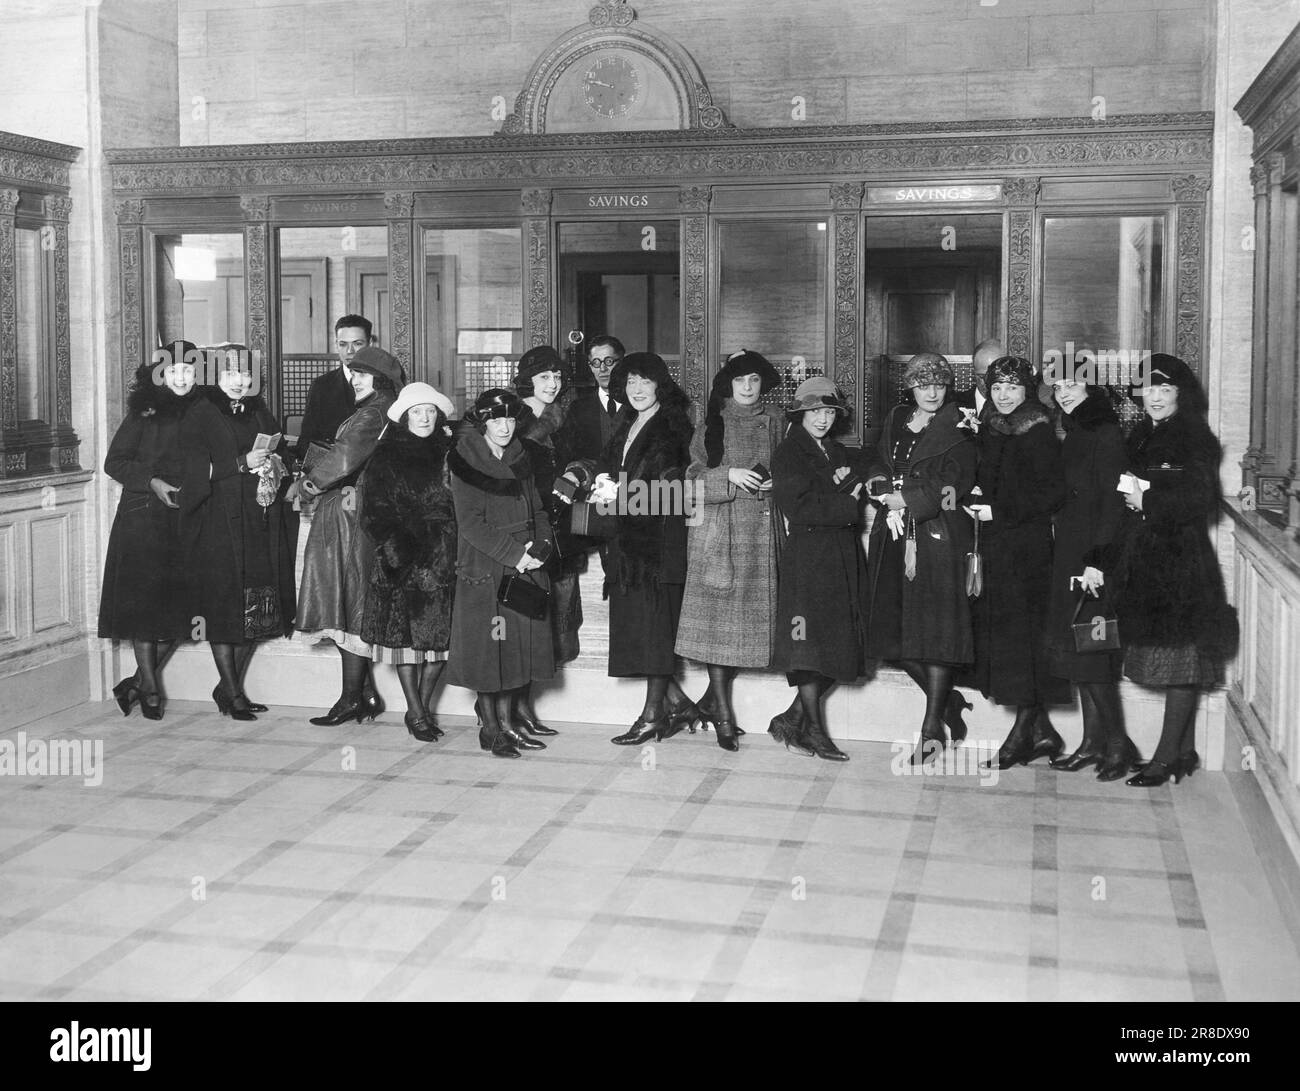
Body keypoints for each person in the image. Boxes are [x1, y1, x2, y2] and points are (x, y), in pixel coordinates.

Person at [1112, 354, 1238, 788]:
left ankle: (1165, 760)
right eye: (1149, 389)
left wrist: (1146, 502)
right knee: (1166, 655)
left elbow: (1201, 500)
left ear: (1180, 395)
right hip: (1149, 559)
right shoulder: (1144, 433)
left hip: (1181, 563)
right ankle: (1182, 752)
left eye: (1165, 390)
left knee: (1183, 659)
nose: (1156, 397)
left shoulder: (1193, 436)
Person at [566, 352, 699, 745]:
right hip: (625, 546)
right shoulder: (626, 422)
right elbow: (609, 470)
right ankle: (679, 704)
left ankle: (653, 715)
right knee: (640, 629)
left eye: (645, 382)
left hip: (656, 545)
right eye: (631, 383)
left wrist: (618, 494)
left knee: (655, 630)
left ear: (660, 385)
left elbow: (671, 492)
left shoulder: (673, 427)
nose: (637, 390)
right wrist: (596, 481)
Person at [862, 354, 977, 765]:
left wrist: (907, 500)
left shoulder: (960, 425)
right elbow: (877, 459)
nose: (931, 392)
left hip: (937, 536)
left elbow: (955, 485)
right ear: (910, 387)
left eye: (939, 385)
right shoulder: (897, 418)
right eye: (922, 385)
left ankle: (931, 728)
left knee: (936, 632)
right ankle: (947, 701)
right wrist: (877, 482)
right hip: (892, 533)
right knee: (890, 630)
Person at [180, 344, 298, 720]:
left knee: (259, 603)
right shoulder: (199, 411)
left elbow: (284, 451)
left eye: (247, 374)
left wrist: (276, 462)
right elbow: (191, 473)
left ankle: (226, 687)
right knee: (226, 604)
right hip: (218, 520)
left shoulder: (257, 408)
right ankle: (232, 692)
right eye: (232, 373)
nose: (241, 381)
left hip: (258, 517)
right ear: (214, 374)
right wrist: (240, 463)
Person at [674, 350, 784, 751]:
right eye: (740, 381)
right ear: (729, 384)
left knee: (738, 629)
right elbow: (691, 479)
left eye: (754, 380)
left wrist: (778, 482)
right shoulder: (712, 423)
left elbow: (788, 464)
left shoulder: (777, 421)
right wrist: (729, 475)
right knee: (718, 628)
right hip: (720, 535)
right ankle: (722, 714)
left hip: (761, 534)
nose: (748, 388)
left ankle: (710, 703)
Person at [967, 356, 1071, 769]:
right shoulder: (993, 427)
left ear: (1027, 389)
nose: (1004, 395)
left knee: (1026, 641)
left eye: (1012, 387)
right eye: (997, 388)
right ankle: (1043, 733)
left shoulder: (1039, 431)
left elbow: (1051, 495)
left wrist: (998, 510)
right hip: (997, 547)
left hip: (1027, 551)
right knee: (1012, 641)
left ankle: (1019, 738)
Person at [295, 346, 402, 725]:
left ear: (381, 379)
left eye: (361, 373)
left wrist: (306, 485)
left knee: (348, 603)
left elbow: (345, 456)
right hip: (353, 512)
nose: (353, 379)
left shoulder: (375, 410)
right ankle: (365, 694)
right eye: (352, 372)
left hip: (348, 517)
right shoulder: (380, 408)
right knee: (348, 602)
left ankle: (350, 699)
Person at [446, 388, 555, 759]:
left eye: (510, 419)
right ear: (483, 423)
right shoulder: (465, 460)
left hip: (525, 562)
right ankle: (491, 727)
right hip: (487, 564)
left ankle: (508, 722)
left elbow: (538, 510)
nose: (505, 427)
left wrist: (540, 548)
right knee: (489, 649)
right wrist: (514, 555)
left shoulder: (520, 456)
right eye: (496, 420)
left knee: (516, 649)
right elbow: (470, 524)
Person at [1045, 376, 1142, 780]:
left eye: (1072, 384)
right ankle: (1092, 743)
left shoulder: (1104, 432)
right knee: (1080, 649)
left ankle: (1118, 744)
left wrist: (1097, 562)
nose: (1064, 393)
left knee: (1095, 650)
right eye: (1057, 387)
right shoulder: (1076, 429)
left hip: (1093, 557)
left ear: (1091, 388)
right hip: (1072, 552)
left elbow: (1113, 505)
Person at [99, 341, 202, 719]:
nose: (180, 377)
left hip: (187, 519)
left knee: (184, 609)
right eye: (172, 370)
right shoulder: (144, 412)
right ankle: (152, 690)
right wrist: (154, 482)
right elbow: (115, 462)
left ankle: (138, 683)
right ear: (160, 374)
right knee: (145, 608)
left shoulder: (205, 412)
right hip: (143, 519)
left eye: (188, 371)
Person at [769, 377, 866, 762]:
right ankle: (813, 730)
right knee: (807, 645)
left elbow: (855, 480)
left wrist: (848, 492)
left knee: (839, 641)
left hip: (841, 556)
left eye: (828, 412)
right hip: (808, 560)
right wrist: (847, 505)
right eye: (814, 412)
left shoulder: (836, 450)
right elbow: (799, 508)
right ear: (800, 413)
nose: (822, 419)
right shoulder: (788, 453)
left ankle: (793, 717)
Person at [359, 382, 458, 743]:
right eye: (417, 411)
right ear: (403, 416)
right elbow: (373, 512)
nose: (424, 418)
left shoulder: (450, 449)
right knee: (406, 643)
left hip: (444, 558)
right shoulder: (384, 455)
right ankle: (416, 713)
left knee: (440, 645)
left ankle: (422, 708)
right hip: (401, 560)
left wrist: (448, 549)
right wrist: (399, 552)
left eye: (430, 411)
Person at [516, 345, 581, 713]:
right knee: (525, 618)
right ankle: (514, 708)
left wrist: (575, 475)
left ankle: (526, 708)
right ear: (528, 380)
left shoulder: (563, 417)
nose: (553, 383)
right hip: (525, 531)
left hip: (561, 531)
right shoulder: (512, 418)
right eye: (544, 377)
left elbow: (583, 458)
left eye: (557, 376)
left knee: (554, 618)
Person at [295, 314, 374, 457]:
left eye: (357, 343)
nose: (350, 351)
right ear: (336, 344)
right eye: (343, 344)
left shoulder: (385, 382)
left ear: (370, 343)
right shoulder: (321, 386)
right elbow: (307, 439)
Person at [555, 335, 625, 465]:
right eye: (596, 363)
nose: (602, 369)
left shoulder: (637, 405)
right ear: (591, 367)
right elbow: (568, 457)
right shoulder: (578, 409)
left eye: (609, 361)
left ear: (621, 363)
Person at [953, 337, 1004, 420]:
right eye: (982, 377)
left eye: (995, 377)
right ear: (973, 373)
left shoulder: (1022, 406)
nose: (988, 383)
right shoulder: (954, 405)